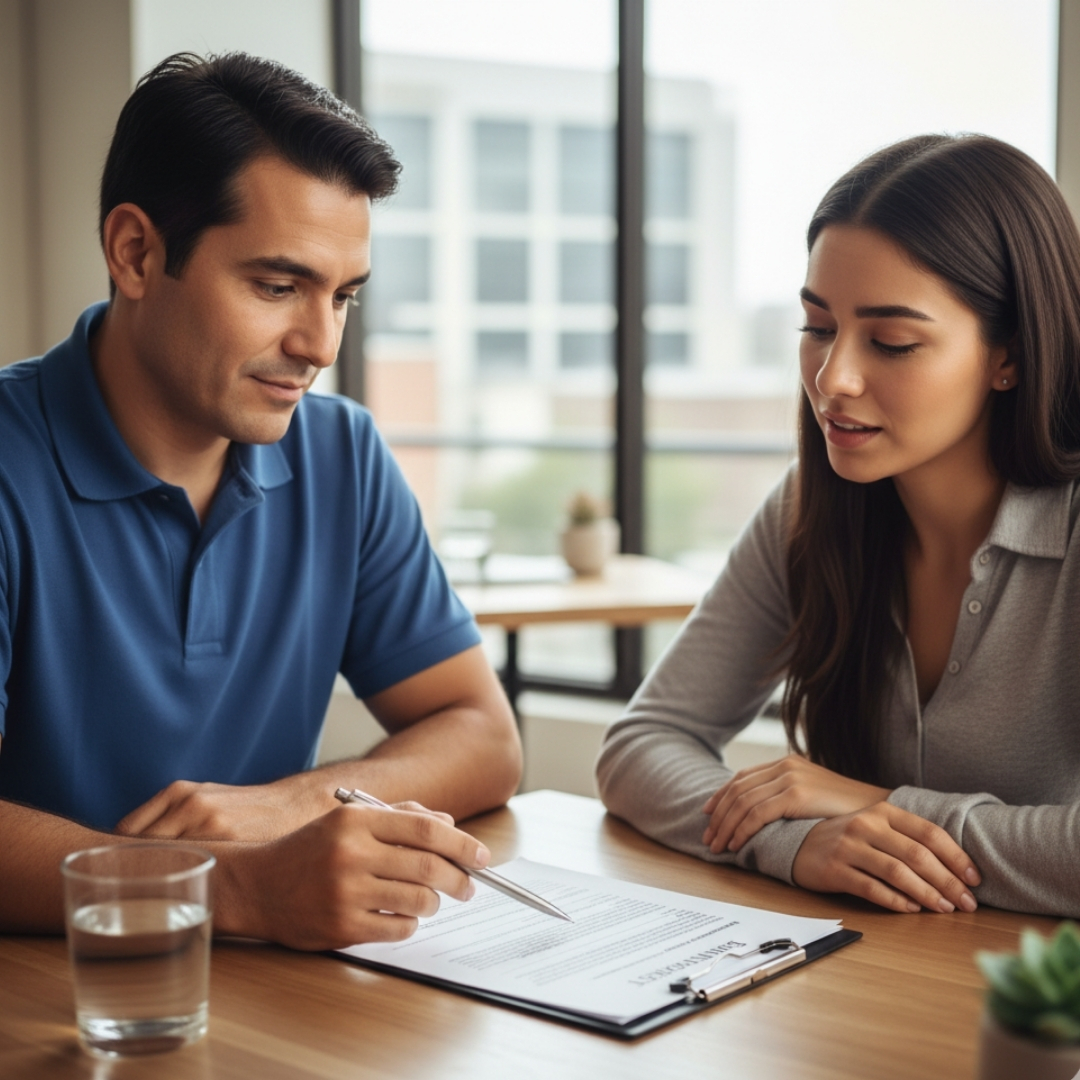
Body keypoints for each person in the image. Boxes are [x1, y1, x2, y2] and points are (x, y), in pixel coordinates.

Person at [0, 52, 522, 949]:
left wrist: (292, 806)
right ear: (136, 252)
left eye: (343, 297)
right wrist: (233, 890)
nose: (319, 343)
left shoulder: (342, 455)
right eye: (277, 286)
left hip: (268, 1001)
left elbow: (481, 734)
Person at [597, 133, 1080, 919]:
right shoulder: (809, 507)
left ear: (1010, 356)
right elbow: (642, 746)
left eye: (891, 341)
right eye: (818, 329)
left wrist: (880, 808)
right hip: (861, 984)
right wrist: (793, 844)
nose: (834, 379)